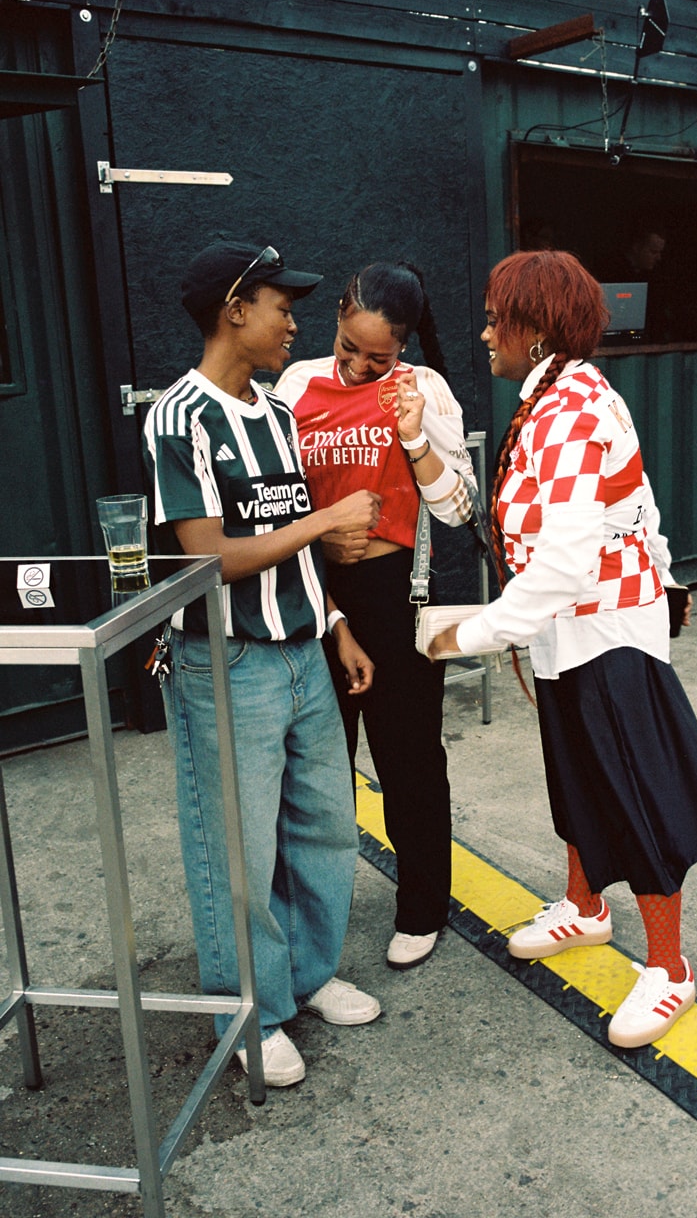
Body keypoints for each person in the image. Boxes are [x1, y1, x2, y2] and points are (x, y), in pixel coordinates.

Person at [428, 250, 697, 1048]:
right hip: (568, 631)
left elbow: (566, 564)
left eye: (497, 318)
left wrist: (470, 633)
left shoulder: (570, 410)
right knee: (575, 774)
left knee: (638, 793)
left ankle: (669, 970)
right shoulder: (550, 399)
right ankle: (586, 907)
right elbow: (636, 504)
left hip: (604, 631)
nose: (484, 332)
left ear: (533, 330)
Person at [143, 239, 384, 1087]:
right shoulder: (179, 417)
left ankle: (308, 976)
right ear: (233, 309)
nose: (293, 323)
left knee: (320, 828)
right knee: (236, 847)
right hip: (227, 663)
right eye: (281, 306)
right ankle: (250, 1008)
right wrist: (324, 524)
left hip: (301, 654)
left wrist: (337, 620)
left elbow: (287, 541)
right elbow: (209, 558)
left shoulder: (276, 410)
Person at [275, 261, 475, 970]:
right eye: (348, 348)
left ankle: (422, 908)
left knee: (409, 759)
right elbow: (281, 499)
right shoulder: (295, 383)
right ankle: (308, 920)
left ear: (406, 345)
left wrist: (417, 441)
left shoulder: (425, 389)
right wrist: (322, 536)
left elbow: (458, 509)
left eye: (379, 357)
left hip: (397, 590)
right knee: (314, 768)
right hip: (312, 590)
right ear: (334, 316)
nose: (360, 367)